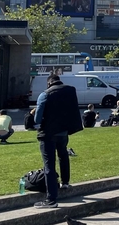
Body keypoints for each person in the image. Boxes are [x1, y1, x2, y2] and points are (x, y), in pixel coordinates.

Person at [33, 74, 83, 208]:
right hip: (63, 132)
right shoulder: (70, 91)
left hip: (48, 134)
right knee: (63, 155)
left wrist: (34, 120)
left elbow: (37, 119)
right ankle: (65, 182)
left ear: (49, 83)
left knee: (49, 164)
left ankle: (51, 199)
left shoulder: (45, 94)